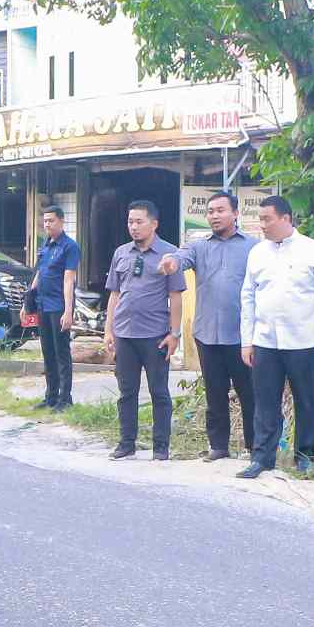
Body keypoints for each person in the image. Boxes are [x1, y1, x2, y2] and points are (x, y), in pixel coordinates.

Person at [235, 195, 314, 479]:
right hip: (265, 341)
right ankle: (262, 458)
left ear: (286, 218)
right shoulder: (257, 253)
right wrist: (247, 341)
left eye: (267, 219)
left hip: (303, 341)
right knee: (265, 402)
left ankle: (305, 457)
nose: (262, 225)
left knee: (306, 401)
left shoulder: (313, 252)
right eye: (260, 219)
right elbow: (248, 297)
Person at [164, 192, 255, 460]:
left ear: (235, 213)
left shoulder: (254, 247)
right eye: (210, 211)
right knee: (215, 394)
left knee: (250, 394)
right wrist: (172, 262)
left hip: (242, 337)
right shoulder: (199, 247)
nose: (214, 216)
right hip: (208, 334)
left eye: (220, 210)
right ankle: (218, 446)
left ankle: (255, 448)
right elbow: (181, 257)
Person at [104, 199, 186, 461]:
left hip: (155, 336)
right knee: (126, 392)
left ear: (154, 224)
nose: (134, 227)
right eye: (130, 222)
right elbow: (115, 294)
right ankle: (126, 443)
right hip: (124, 334)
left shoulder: (169, 254)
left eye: (139, 222)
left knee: (159, 393)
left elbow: (175, 297)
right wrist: (108, 331)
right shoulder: (121, 253)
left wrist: (174, 334)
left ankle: (160, 447)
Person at [30, 206, 81, 410]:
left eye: (51, 221)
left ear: (61, 221)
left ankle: (65, 398)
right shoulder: (45, 245)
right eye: (45, 221)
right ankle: (50, 396)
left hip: (58, 306)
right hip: (43, 304)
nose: (47, 225)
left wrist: (68, 311)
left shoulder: (70, 247)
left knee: (61, 353)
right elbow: (39, 273)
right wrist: (28, 300)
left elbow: (69, 280)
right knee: (47, 352)